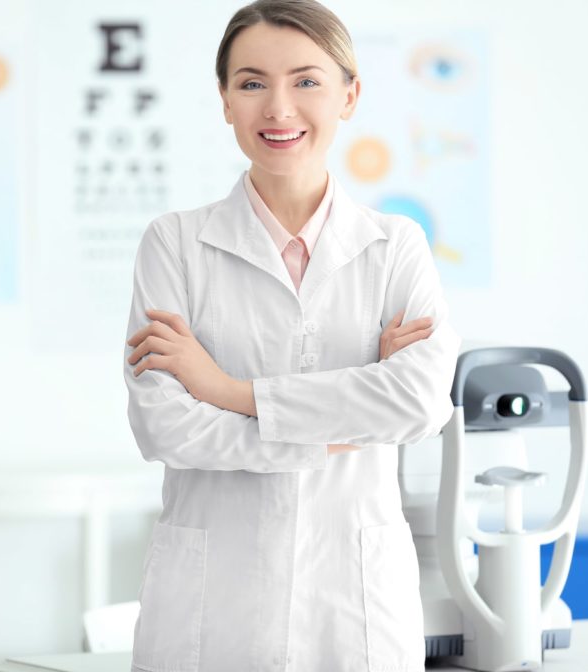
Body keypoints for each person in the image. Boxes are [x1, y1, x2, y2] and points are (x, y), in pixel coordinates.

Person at [122, 1, 461, 669]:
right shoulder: (175, 244)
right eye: (251, 83)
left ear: (349, 94)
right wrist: (354, 420)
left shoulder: (394, 246)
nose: (278, 108)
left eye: (306, 80)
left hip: (353, 603)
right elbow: (165, 429)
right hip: (212, 607)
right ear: (224, 100)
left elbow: (421, 403)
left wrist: (227, 389)